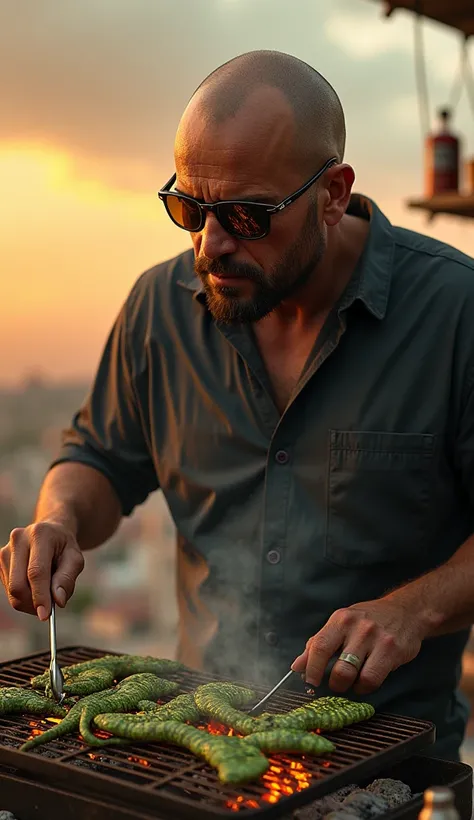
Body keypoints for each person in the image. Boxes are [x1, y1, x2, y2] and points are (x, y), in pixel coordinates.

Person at [2, 49, 474, 761]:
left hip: (388, 760)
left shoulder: (455, 312)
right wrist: (60, 518)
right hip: (201, 753)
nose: (209, 245)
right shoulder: (158, 310)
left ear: (333, 194)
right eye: (188, 209)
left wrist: (413, 610)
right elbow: (97, 457)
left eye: (247, 216)